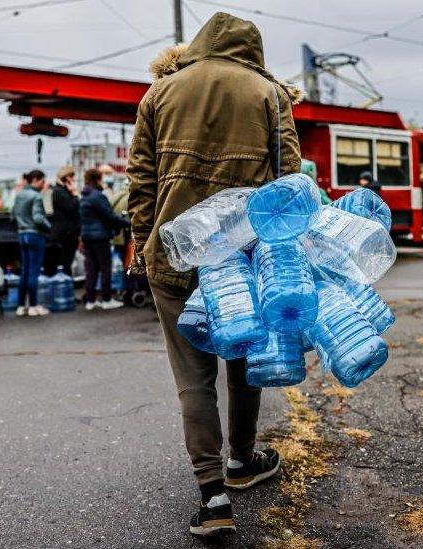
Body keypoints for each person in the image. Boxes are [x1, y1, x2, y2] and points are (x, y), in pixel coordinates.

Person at [127, 12, 302, 536]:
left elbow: (140, 179)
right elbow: (289, 182)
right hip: (244, 260)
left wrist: (144, 237)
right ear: (253, 49)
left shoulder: (159, 94)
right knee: (243, 359)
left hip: (174, 256)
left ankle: (212, 495)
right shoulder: (270, 96)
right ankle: (243, 460)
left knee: (193, 377)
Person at [80, 168, 129, 311]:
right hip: (100, 237)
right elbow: (109, 215)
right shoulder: (97, 196)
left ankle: (90, 300)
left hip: (87, 236)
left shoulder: (84, 195)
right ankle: (106, 299)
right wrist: (126, 223)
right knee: (105, 267)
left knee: (91, 269)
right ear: (97, 179)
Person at [12, 169, 51, 317]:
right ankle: (34, 305)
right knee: (34, 271)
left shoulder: (19, 195)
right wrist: (49, 227)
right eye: (42, 181)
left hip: (22, 235)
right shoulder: (36, 197)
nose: (43, 184)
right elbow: (38, 218)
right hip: (35, 235)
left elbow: (13, 215)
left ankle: (21, 306)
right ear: (35, 180)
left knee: (25, 271)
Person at [50, 165, 81, 277]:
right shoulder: (59, 191)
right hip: (66, 234)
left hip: (69, 233)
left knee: (67, 262)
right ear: (66, 177)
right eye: (72, 177)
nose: (73, 180)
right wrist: (75, 194)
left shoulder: (63, 191)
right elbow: (71, 207)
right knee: (65, 263)